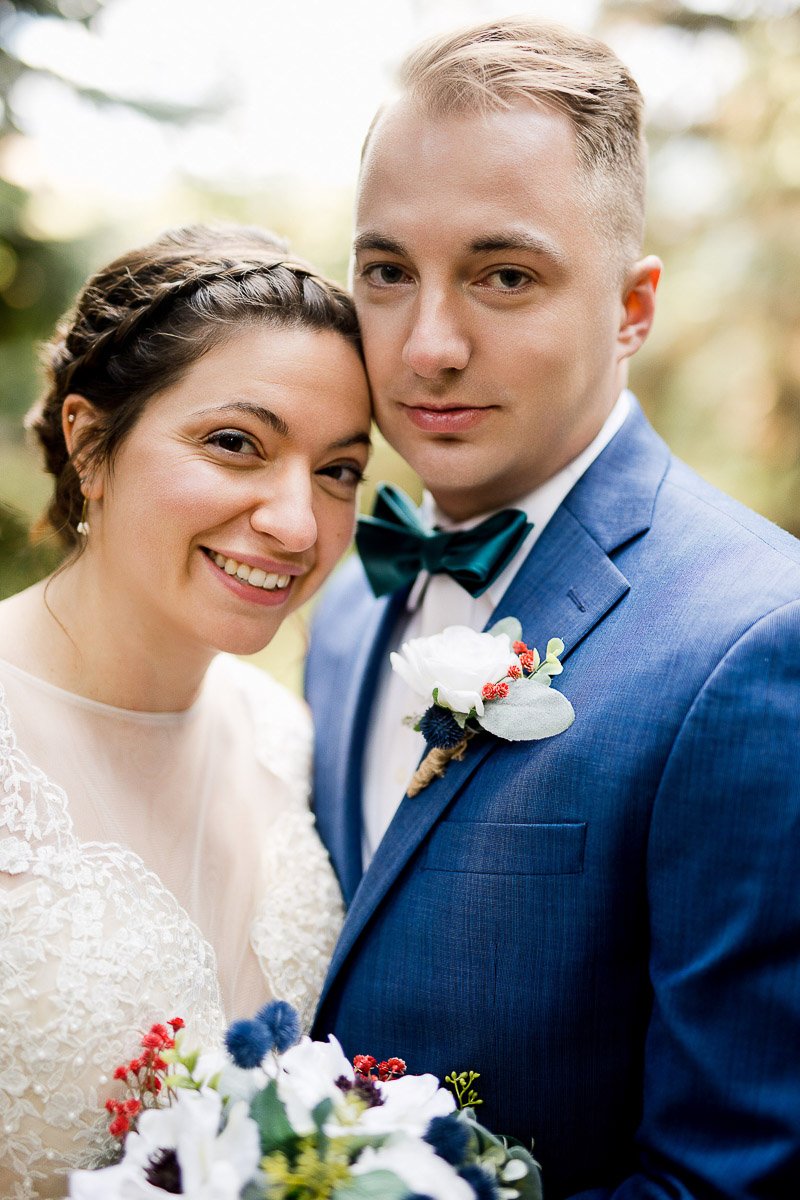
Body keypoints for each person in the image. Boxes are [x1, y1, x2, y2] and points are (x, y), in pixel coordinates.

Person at [306, 19, 800, 1198]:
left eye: (503, 275)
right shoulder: (338, 607)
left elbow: (726, 1179)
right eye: (386, 272)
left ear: (631, 309)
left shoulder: (754, 642)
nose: (425, 347)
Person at [0, 223, 371, 1197]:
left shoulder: (290, 741)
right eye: (235, 444)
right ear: (88, 440)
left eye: (337, 469)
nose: (297, 524)